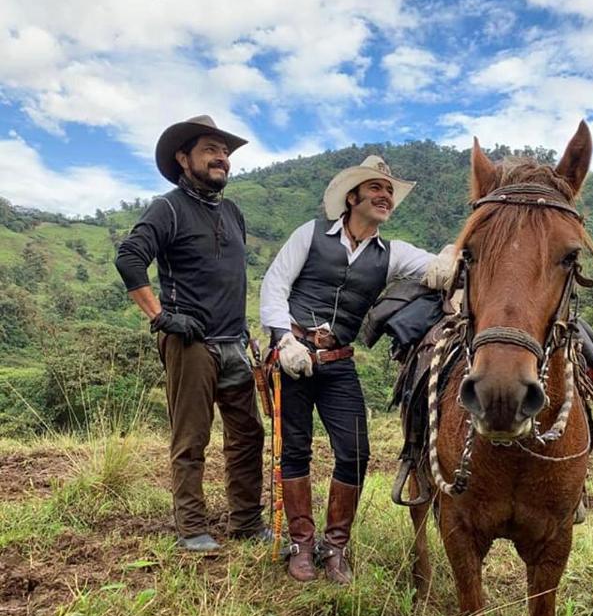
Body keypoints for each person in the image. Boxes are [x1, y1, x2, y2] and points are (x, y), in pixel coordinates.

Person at [260, 155, 454, 584]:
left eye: (389, 192)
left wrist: (452, 255)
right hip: (294, 355)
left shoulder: (392, 253)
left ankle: (336, 547)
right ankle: (301, 545)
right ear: (352, 197)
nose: (385, 197)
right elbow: (275, 284)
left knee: (356, 451)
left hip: (338, 361)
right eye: (376, 190)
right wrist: (283, 340)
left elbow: (437, 269)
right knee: (295, 450)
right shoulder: (309, 234)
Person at [115, 115, 269, 552]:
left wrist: (245, 331)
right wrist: (162, 317)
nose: (221, 158)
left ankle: (244, 522)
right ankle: (192, 527)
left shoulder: (233, 212)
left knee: (247, 435)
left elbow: (230, 279)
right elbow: (129, 258)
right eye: (210, 150)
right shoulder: (168, 208)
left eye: (225, 152)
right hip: (191, 342)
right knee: (192, 437)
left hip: (234, 341)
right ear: (184, 159)